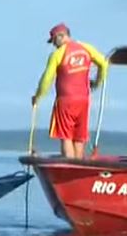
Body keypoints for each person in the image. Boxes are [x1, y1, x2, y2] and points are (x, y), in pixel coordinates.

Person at [31, 23, 108, 159]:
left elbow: (47, 79)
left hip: (65, 101)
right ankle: (77, 169)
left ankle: (68, 168)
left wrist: (38, 96)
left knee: (66, 137)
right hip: (84, 100)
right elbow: (103, 63)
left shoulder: (57, 54)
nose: (54, 45)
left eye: (54, 41)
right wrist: (97, 82)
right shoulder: (86, 48)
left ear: (60, 37)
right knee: (79, 137)